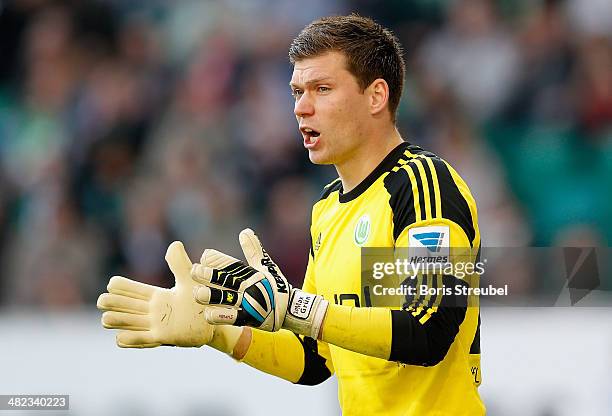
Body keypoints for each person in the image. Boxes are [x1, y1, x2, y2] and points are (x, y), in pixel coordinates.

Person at [98, 14, 485, 415]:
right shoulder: (329, 207)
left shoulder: (425, 185)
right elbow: (315, 357)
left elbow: (429, 331)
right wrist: (219, 330)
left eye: (322, 89)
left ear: (376, 96)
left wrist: (299, 309)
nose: (302, 108)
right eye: (297, 92)